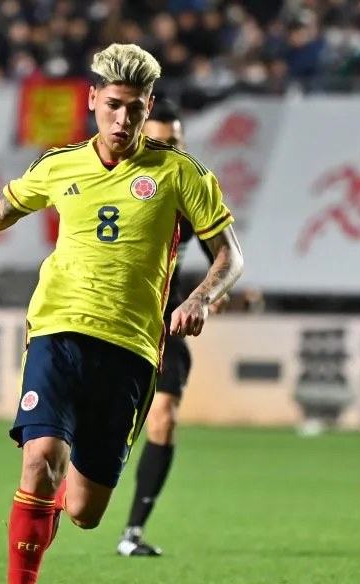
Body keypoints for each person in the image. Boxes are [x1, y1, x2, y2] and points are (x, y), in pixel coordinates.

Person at [0, 43, 244, 584]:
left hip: (131, 350)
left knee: (83, 509)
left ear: (148, 108)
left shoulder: (178, 173)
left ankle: (48, 530)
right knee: (39, 459)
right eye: (114, 105)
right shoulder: (59, 165)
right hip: (58, 331)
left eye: (137, 109)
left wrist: (200, 299)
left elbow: (230, 256)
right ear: (94, 99)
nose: (124, 119)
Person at [116, 99, 227, 557]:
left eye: (177, 141)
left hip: (165, 323)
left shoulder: (188, 190)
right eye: (161, 141)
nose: (171, 149)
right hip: (112, 319)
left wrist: (207, 295)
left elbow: (222, 255)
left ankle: (132, 533)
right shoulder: (118, 185)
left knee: (165, 417)